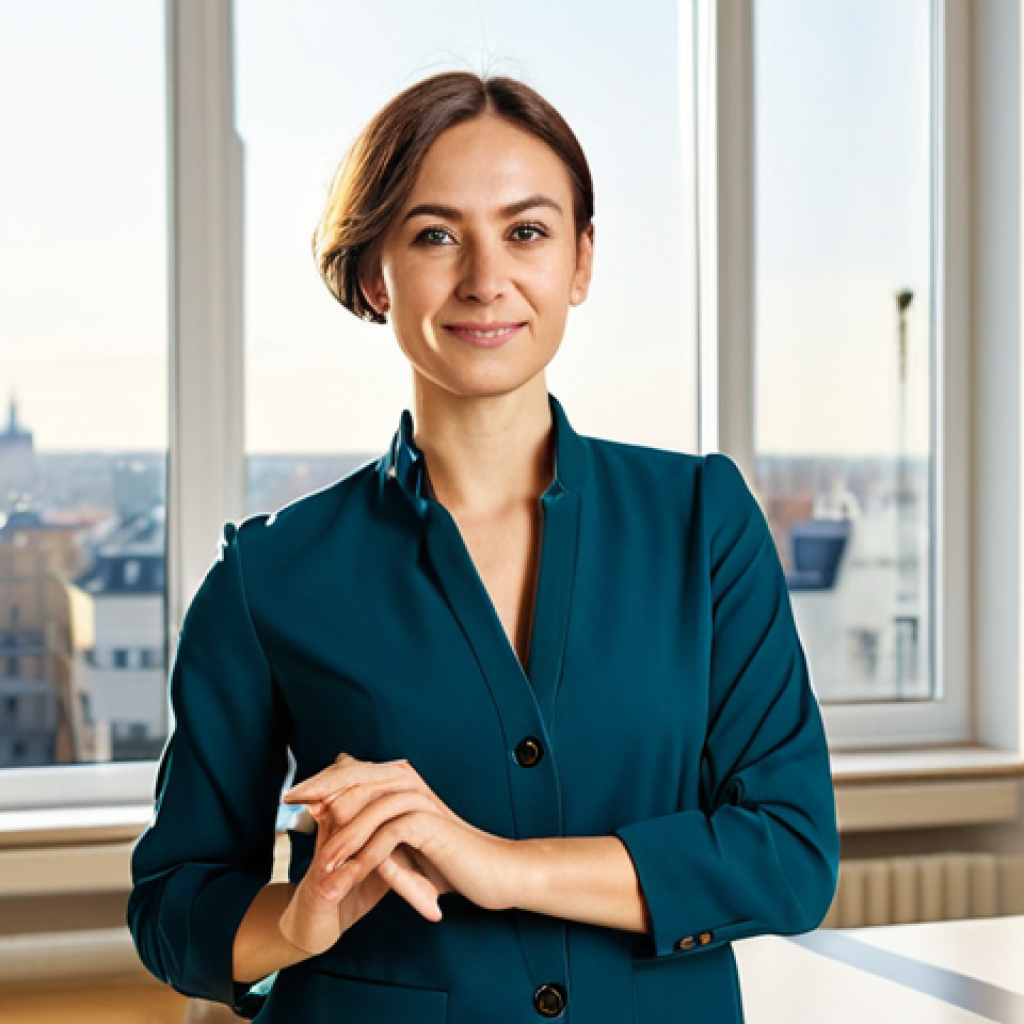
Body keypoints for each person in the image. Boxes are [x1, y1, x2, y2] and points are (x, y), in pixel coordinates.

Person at [127, 70, 840, 1024]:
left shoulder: (702, 521)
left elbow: (789, 855)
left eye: (527, 231)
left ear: (582, 261)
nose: (484, 278)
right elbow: (174, 902)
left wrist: (500, 868)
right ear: (376, 274)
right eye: (434, 234)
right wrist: (296, 923)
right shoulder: (270, 577)